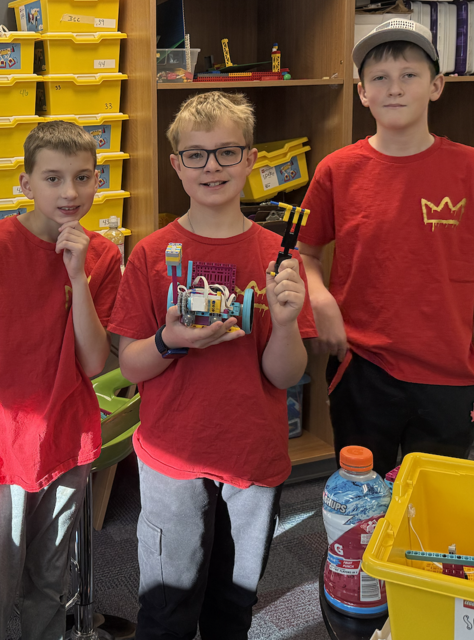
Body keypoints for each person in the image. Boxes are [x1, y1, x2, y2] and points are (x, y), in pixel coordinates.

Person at [108, 91, 315, 640]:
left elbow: (284, 375)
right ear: (176, 165)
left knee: (233, 608)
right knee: (166, 609)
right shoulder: (151, 254)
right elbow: (131, 367)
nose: (212, 167)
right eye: (196, 155)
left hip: (252, 459)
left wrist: (286, 323)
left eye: (227, 152)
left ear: (251, 160)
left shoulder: (280, 259)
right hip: (172, 459)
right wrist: (169, 341)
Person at [298, 19, 474, 476]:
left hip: (450, 375)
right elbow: (304, 254)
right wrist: (319, 299)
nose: (395, 88)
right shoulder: (337, 170)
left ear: (436, 86)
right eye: (380, 78)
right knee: (362, 500)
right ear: (363, 92)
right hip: (362, 368)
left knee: (434, 500)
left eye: (409, 75)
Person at [0, 120, 123, 640]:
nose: (69, 192)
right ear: (26, 184)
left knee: (50, 581)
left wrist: (77, 274)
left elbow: (93, 362)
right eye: (53, 178)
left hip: (66, 443)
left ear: (97, 180)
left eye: (82, 178)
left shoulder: (102, 256)